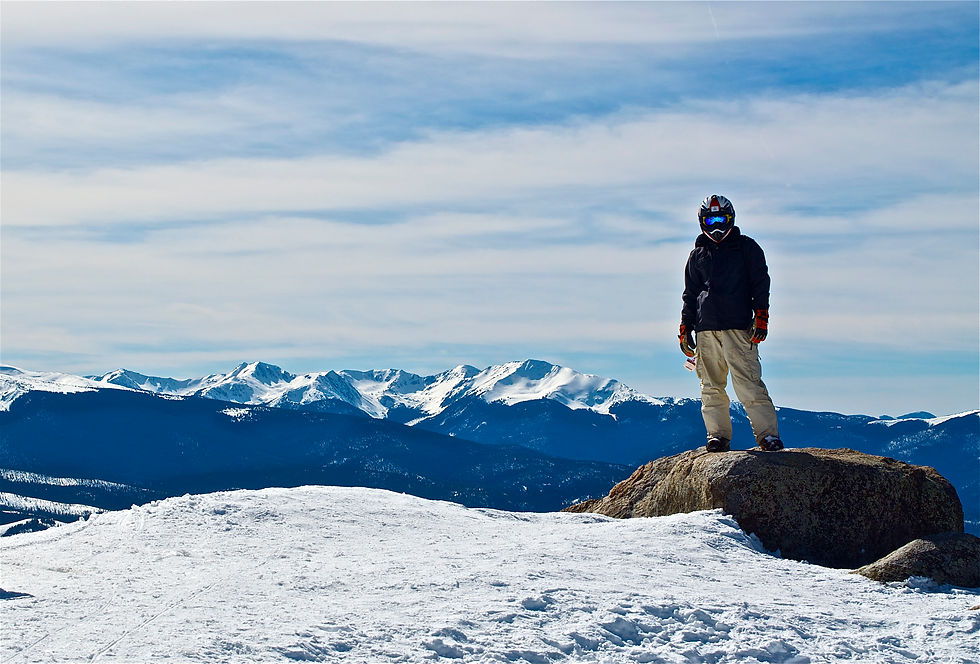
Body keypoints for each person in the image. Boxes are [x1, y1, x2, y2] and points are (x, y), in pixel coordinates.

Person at [679, 194, 783, 453]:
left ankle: (768, 436)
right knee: (711, 386)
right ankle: (717, 436)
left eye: (720, 219)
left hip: (738, 327)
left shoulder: (747, 249)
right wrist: (685, 326)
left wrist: (762, 315)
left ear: (731, 219)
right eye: (710, 219)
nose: (716, 226)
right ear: (702, 221)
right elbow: (690, 294)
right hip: (706, 329)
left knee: (748, 383)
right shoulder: (697, 256)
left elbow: (761, 283)